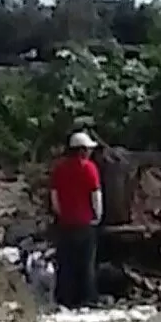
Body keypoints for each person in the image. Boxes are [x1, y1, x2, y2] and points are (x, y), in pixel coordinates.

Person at [49, 130, 103, 308]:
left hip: (65, 223)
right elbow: (96, 196)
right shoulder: (89, 168)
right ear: (82, 150)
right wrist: (97, 216)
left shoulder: (59, 169)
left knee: (65, 263)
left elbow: (54, 197)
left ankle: (65, 298)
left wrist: (60, 214)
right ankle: (87, 298)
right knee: (86, 263)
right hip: (85, 223)